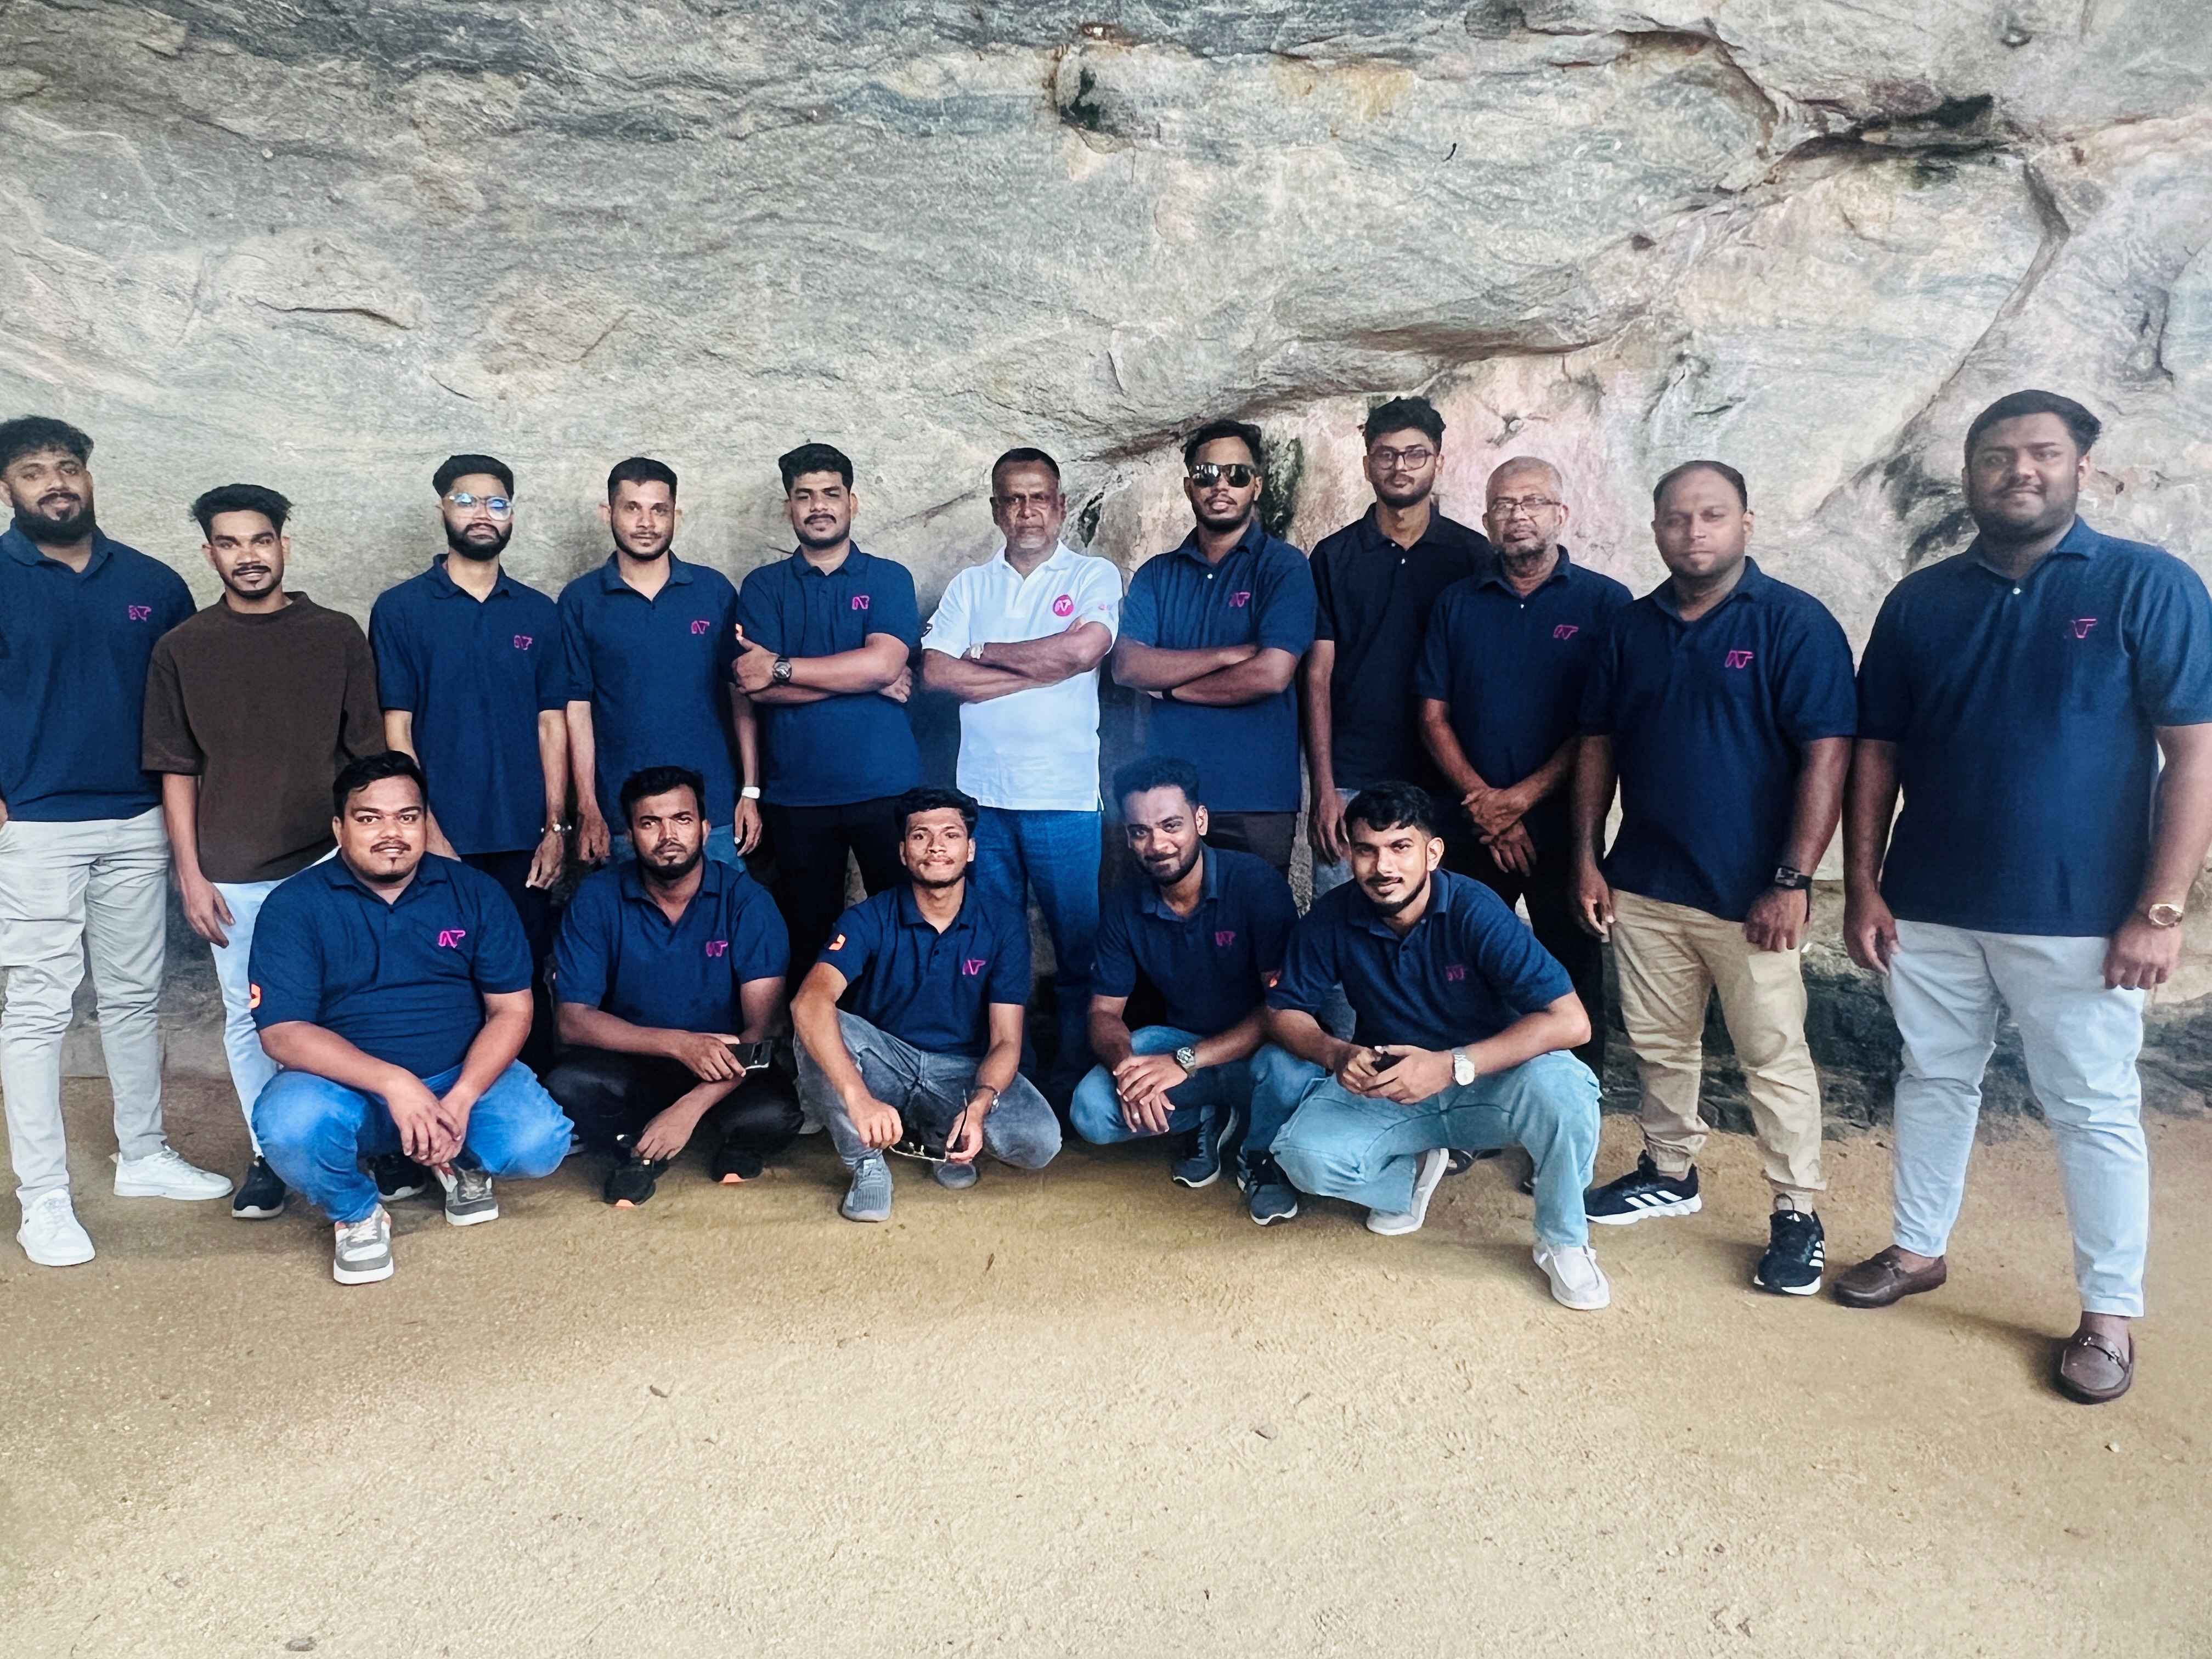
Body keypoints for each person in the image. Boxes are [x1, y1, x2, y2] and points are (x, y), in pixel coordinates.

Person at [1834, 390, 2212, 1405]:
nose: (2019, 471)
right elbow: (1877, 754)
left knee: (2092, 1108)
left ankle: (2108, 1314)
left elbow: (2194, 755)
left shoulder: (2146, 585)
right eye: (1996, 456)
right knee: (1933, 1077)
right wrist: (1864, 883)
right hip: (1929, 903)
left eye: (2041, 452)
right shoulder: (1921, 601)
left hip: (2083, 916)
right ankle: (1918, 1247)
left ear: (2083, 466)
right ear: (1969, 474)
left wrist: (2159, 909)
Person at [1571, 460, 1855, 1297]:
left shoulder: (1794, 624)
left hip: (1752, 895)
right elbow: (1598, 745)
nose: (1693, 532)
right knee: (1660, 1044)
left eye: (1712, 516)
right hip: (1647, 881)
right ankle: (1669, 1171)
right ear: (1656, 528)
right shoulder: (1630, 629)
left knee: (1774, 1056)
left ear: (1746, 523)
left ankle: (1796, 1211)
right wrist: (1587, 855)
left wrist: (1793, 880)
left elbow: (1827, 756)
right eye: (1676, 518)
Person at [0, 416, 225, 1267]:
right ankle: (44, 1198)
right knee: (37, 1010)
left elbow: (187, 709)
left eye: (68, 467)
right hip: (35, 825)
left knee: (133, 998)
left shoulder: (153, 583)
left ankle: (143, 1154)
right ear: (7, 488)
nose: (55, 483)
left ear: (89, 477)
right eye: (33, 471)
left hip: (137, 820)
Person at [1261, 783, 1610, 1310]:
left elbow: (1572, 1023)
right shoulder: (1334, 915)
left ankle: (1563, 1241)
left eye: (1400, 847)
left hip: (1488, 1081)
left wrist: (1452, 1064)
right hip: (1393, 1086)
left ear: (1433, 852)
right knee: (1302, 1156)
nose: (1383, 867)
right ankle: (1410, 1176)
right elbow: (1282, 1011)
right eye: (1367, 850)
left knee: (1566, 1092)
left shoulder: (1474, 909)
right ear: (1350, 854)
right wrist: (1335, 1053)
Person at [142, 483, 385, 1221]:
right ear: (209, 553)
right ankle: (268, 1155)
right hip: (233, 872)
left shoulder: (336, 635)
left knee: (351, 1005)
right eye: (230, 543)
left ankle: (365, 1146)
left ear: (283, 545)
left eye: (260, 540)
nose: (247, 556)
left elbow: (367, 755)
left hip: (329, 862)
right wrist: (189, 873)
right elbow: (177, 769)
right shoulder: (182, 648)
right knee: (251, 1019)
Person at [247, 752, 572, 1285]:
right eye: (369, 818)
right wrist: (394, 1083)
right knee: (289, 1126)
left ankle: (456, 1158)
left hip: (457, 1075)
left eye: (406, 817)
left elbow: (512, 1009)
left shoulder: (474, 893)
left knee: (538, 1143)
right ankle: (357, 1212)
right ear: (339, 828)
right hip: (347, 1088)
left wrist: (462, 1098)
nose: (391, 833)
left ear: (425, 822)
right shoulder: (294, 905)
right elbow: (283, 1034)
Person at [1417, 457, 1629, 1077]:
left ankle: (1578, 1101)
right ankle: (1461, 1101)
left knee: (1573, 968)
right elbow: (1432, 716)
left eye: (1533, 502)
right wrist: (1488, 805)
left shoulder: (1606, 603)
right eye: (1504, 505)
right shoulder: (1458, 602)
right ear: (1486, 522)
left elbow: (1599, 728)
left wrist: (1521, 801)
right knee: (1457, 964)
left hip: (1565, 828)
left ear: (1561, 514)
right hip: (1470, 824)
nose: (1518, 516)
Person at [920, 446, 1121, 1098]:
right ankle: (1016, 1080)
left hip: (1064, 798)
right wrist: (1040, 671)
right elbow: (937, 673)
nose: (1027, 510)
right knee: (999, 949)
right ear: (995, 510)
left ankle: (1075, 1079)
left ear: (1060, 506)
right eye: (1013, 499)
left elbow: (1084, 649)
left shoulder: (1091, 574)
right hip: (983, 801)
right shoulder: (971, 586)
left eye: (1039, 497)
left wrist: (985, 653)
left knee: (1079, 949)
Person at [370, 453, 572, 1072]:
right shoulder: (401, 609)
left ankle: (529, 1100)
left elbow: (552, 723)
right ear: (442, 508)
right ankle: (440, 1105)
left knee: (523, 972)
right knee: (443, 976)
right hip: (441, 836)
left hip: (522, 837)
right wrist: (423, 828)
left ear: (511, 514)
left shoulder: (538, 612)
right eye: (466, 500)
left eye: (496, 503)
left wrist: (555, 826)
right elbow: (397, 730)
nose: (482, 514)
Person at [791, 786, 1060, 1222]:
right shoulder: (869, 917)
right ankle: (865, 1163)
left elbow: (1006, 1040)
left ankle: (942, 1135)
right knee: (815, 1023)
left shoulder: (1002, 923)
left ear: (970, 850)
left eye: (951, 835)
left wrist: (980, 1105)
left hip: (959, 1072)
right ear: (903, 852)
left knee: (1039, 1140)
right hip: (886, 1064)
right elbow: (810, 1000)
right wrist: (858, 1097)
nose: (936, 846)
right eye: (920, 836)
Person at [544, 765, 799, 1206]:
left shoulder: (746, 901)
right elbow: (573, 1021)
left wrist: (692, 1106)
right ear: (630, 836)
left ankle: (699, 1134)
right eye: (650, 823)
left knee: (773, 1115)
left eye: (682, 820)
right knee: (568, 1084)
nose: (668, 836)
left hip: (727, 1065)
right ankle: (638, 1149)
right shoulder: (598, 898)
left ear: (705, 828)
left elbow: (765, 1030)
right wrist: (681, 1045)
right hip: (635, 1060)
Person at [1074, 758, 1307, 1223]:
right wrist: (1128, 1070)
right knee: (1091, 1110)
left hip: (1259, 1049)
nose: (1157, 845)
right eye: (1140, 832)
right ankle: (1205, 1117)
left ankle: (1261, 1154)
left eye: (1171, 826)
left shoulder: (1255, 884)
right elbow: (1103, 1013)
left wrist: (1185, 1062)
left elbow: (1280, 1009)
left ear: (1200, 820)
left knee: (1293, 1074)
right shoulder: (1124, 903)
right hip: (1178, 1043)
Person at [734, 442, 922, 981]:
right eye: (805, 496)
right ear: (789, 507)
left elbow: (885, 663)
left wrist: (784, 668)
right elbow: (755, 687)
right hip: (797, 795)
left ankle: (894, 1033)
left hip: (886, 787)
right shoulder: (763, 586)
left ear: (852, 503)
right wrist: (866, 682)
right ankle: (816, 1037)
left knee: (902, 928)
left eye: (830, 494)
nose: (819, 506)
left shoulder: (888, 577)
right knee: (808, 939)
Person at [1304, 396, 1489, 899]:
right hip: (1355, 777)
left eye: (1415, 454)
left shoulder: (1473, 556)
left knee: (1442, 925)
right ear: (1368, 465)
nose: (1400, 467)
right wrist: (1323, 789)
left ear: (1438, 463)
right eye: (1386, 455)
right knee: (1343, 923)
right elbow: (1317, 676)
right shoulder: (1334, 557)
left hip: (1448, 781)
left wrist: (1481, 790)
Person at [1112, 418, 1317, 873]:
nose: (1221, 485)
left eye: (1237, 474)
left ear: (1257, 485)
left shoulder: (1284, 567)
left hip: (1257, 797)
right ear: (1189, 486)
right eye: (1207, 475)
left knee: (1258, 915)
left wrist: (1171, 689)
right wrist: (1227, 655)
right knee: (1166, 916)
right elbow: (1127, 667)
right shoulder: (1157, 574)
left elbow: (1271, 674)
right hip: (1168, 801)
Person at [560, 456, 751, 870]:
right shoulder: (580, 600)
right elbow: (577, 706)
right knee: (629, 911)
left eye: (659, 510)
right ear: (608, 513)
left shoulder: (713, 591)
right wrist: (588, 806)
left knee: (724, 909)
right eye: (632, 508)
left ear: (675, 515)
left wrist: (750, 790)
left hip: (713, 810)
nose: (646, 523)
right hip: (621, 815)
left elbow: (741, 692)